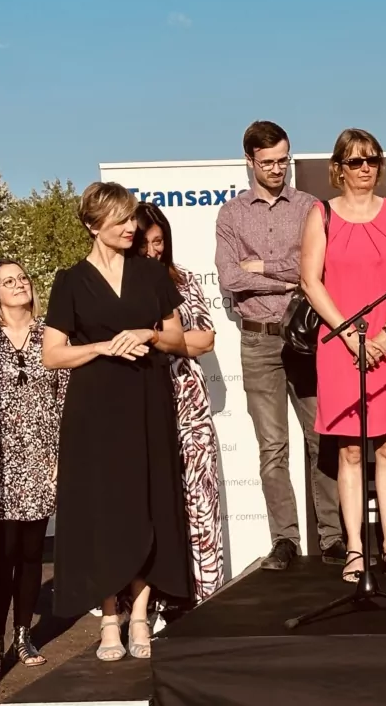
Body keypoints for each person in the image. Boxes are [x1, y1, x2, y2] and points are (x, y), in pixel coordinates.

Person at [43, 182, 193, 661]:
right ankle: (110, 617)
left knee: (148, 505)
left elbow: (176, 339)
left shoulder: (150, 274)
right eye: (121, 221)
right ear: (93, 225)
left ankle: (142, 614)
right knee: (106, 513)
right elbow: (52, 354)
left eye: (132, 218)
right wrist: (103, 346)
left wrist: (145, 333)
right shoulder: (70, 282)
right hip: (95, 412)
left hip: (148, 402)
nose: (132, 227)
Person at [214, 120, 344, 571]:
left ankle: (332, 538)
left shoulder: (310, 206)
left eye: (282, 160)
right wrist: (287, 274)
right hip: (257, 342)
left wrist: (265, 266)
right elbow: (229, 277)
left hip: (306, 340)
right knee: (272, 448)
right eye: (267, 162)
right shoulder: (231, 214)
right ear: (249, 160)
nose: (276, 169)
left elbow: (315, 271)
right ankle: (284, 540)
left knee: (320, 439)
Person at [301, 128, 386, 583]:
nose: (366, 168)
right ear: (339, 168)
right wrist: (352, 336)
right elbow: (311, 282)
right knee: (350, 450)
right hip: (342, 346)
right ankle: (356, 549)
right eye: (355, 161)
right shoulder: (322, 215)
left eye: (372, 159)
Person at [0, 259, 66, 677]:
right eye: (9, 281)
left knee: (30, 553)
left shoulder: (53, 337)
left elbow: (65, 396)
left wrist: (61, 454)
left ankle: (23, 635)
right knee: (0, 554)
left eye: (23, 278)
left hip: (40, 457)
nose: (20, 284)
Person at [133, 203, 223, 603]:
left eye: (159, 241)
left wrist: (158, 339)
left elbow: (205, 338)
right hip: (142, 405)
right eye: (145, 243)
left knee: (201, 503)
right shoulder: (122, 285)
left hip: (189, 403)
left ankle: (206, 596)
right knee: (148, 509)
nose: (153, 250)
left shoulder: (182, 279)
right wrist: (174, 340)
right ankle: (146, 600)